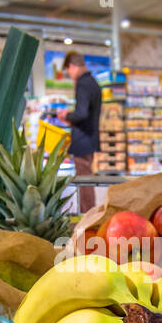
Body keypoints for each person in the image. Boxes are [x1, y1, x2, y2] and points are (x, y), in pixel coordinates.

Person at [56, 52, 101, 212]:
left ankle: (87, 214)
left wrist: (66, 116)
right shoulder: (93, 82)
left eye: (68, 71)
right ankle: (88, 213)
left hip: (83, 140)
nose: (70, 75)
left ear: (73, 67)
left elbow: (82, 113)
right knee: (86, 179)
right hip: (90, 138)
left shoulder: (82, 83)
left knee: (85, 181)